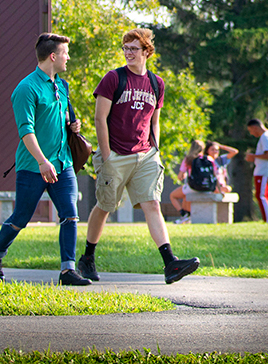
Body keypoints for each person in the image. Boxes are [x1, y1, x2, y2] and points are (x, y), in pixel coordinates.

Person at [77, 28, 201, 284]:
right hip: (115, 154)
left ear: (147, 51)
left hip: (145, 155)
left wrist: (155, 149)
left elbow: (155, 120)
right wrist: (107, 154)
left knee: (152, 204)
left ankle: (170, 264)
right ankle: (87, 257)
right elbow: (100, 119)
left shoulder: (156, 83)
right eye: (125, 48)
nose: (128, 53)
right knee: (105, 207)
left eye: (134, 48)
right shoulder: (113, 79)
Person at [0, 33, 90, 286]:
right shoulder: (25, 88)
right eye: (65, 53)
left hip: (63, 163)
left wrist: (72, 125)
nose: (68, 57)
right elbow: (26, 131)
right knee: (20, 217)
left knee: (70, 215)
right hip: (33, 166)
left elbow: (62, 119)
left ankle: (68, 271)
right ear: (53, 56)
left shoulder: (62, 86)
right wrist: (43, 162)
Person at [171, 141, 238, 224]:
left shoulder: (188, 159)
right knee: (186, 196)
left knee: (174, 195)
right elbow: (215, 175)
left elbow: (179, 177)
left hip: (194, 186)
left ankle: (184, 215)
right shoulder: (209, 159)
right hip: (208, 187)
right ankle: (187, 216)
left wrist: (185, 174)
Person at [245, 119, 268, 223]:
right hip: (266, 170)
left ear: (255, 127)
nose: (251, 133)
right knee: (266, 195)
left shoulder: (266, 137)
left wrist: (253, 156)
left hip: (265, 170)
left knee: (262, 195)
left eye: (251, 130)